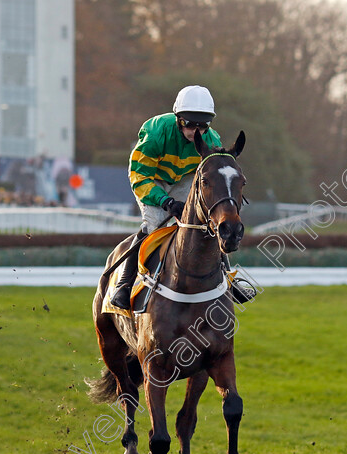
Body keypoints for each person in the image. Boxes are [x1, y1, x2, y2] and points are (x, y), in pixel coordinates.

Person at [109, 85, 255, 309]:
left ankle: (228, 279)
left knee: (207, 225)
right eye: (189, 124)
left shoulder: (211, 139)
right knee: (154, 224)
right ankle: (124, 284)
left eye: (202, 125)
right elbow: (139, 174)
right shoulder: (157, 131)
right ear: (178, 118)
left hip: (186, 178)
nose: (194, 130)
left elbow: (213, 175)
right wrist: (165, 201)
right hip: (152, 178)